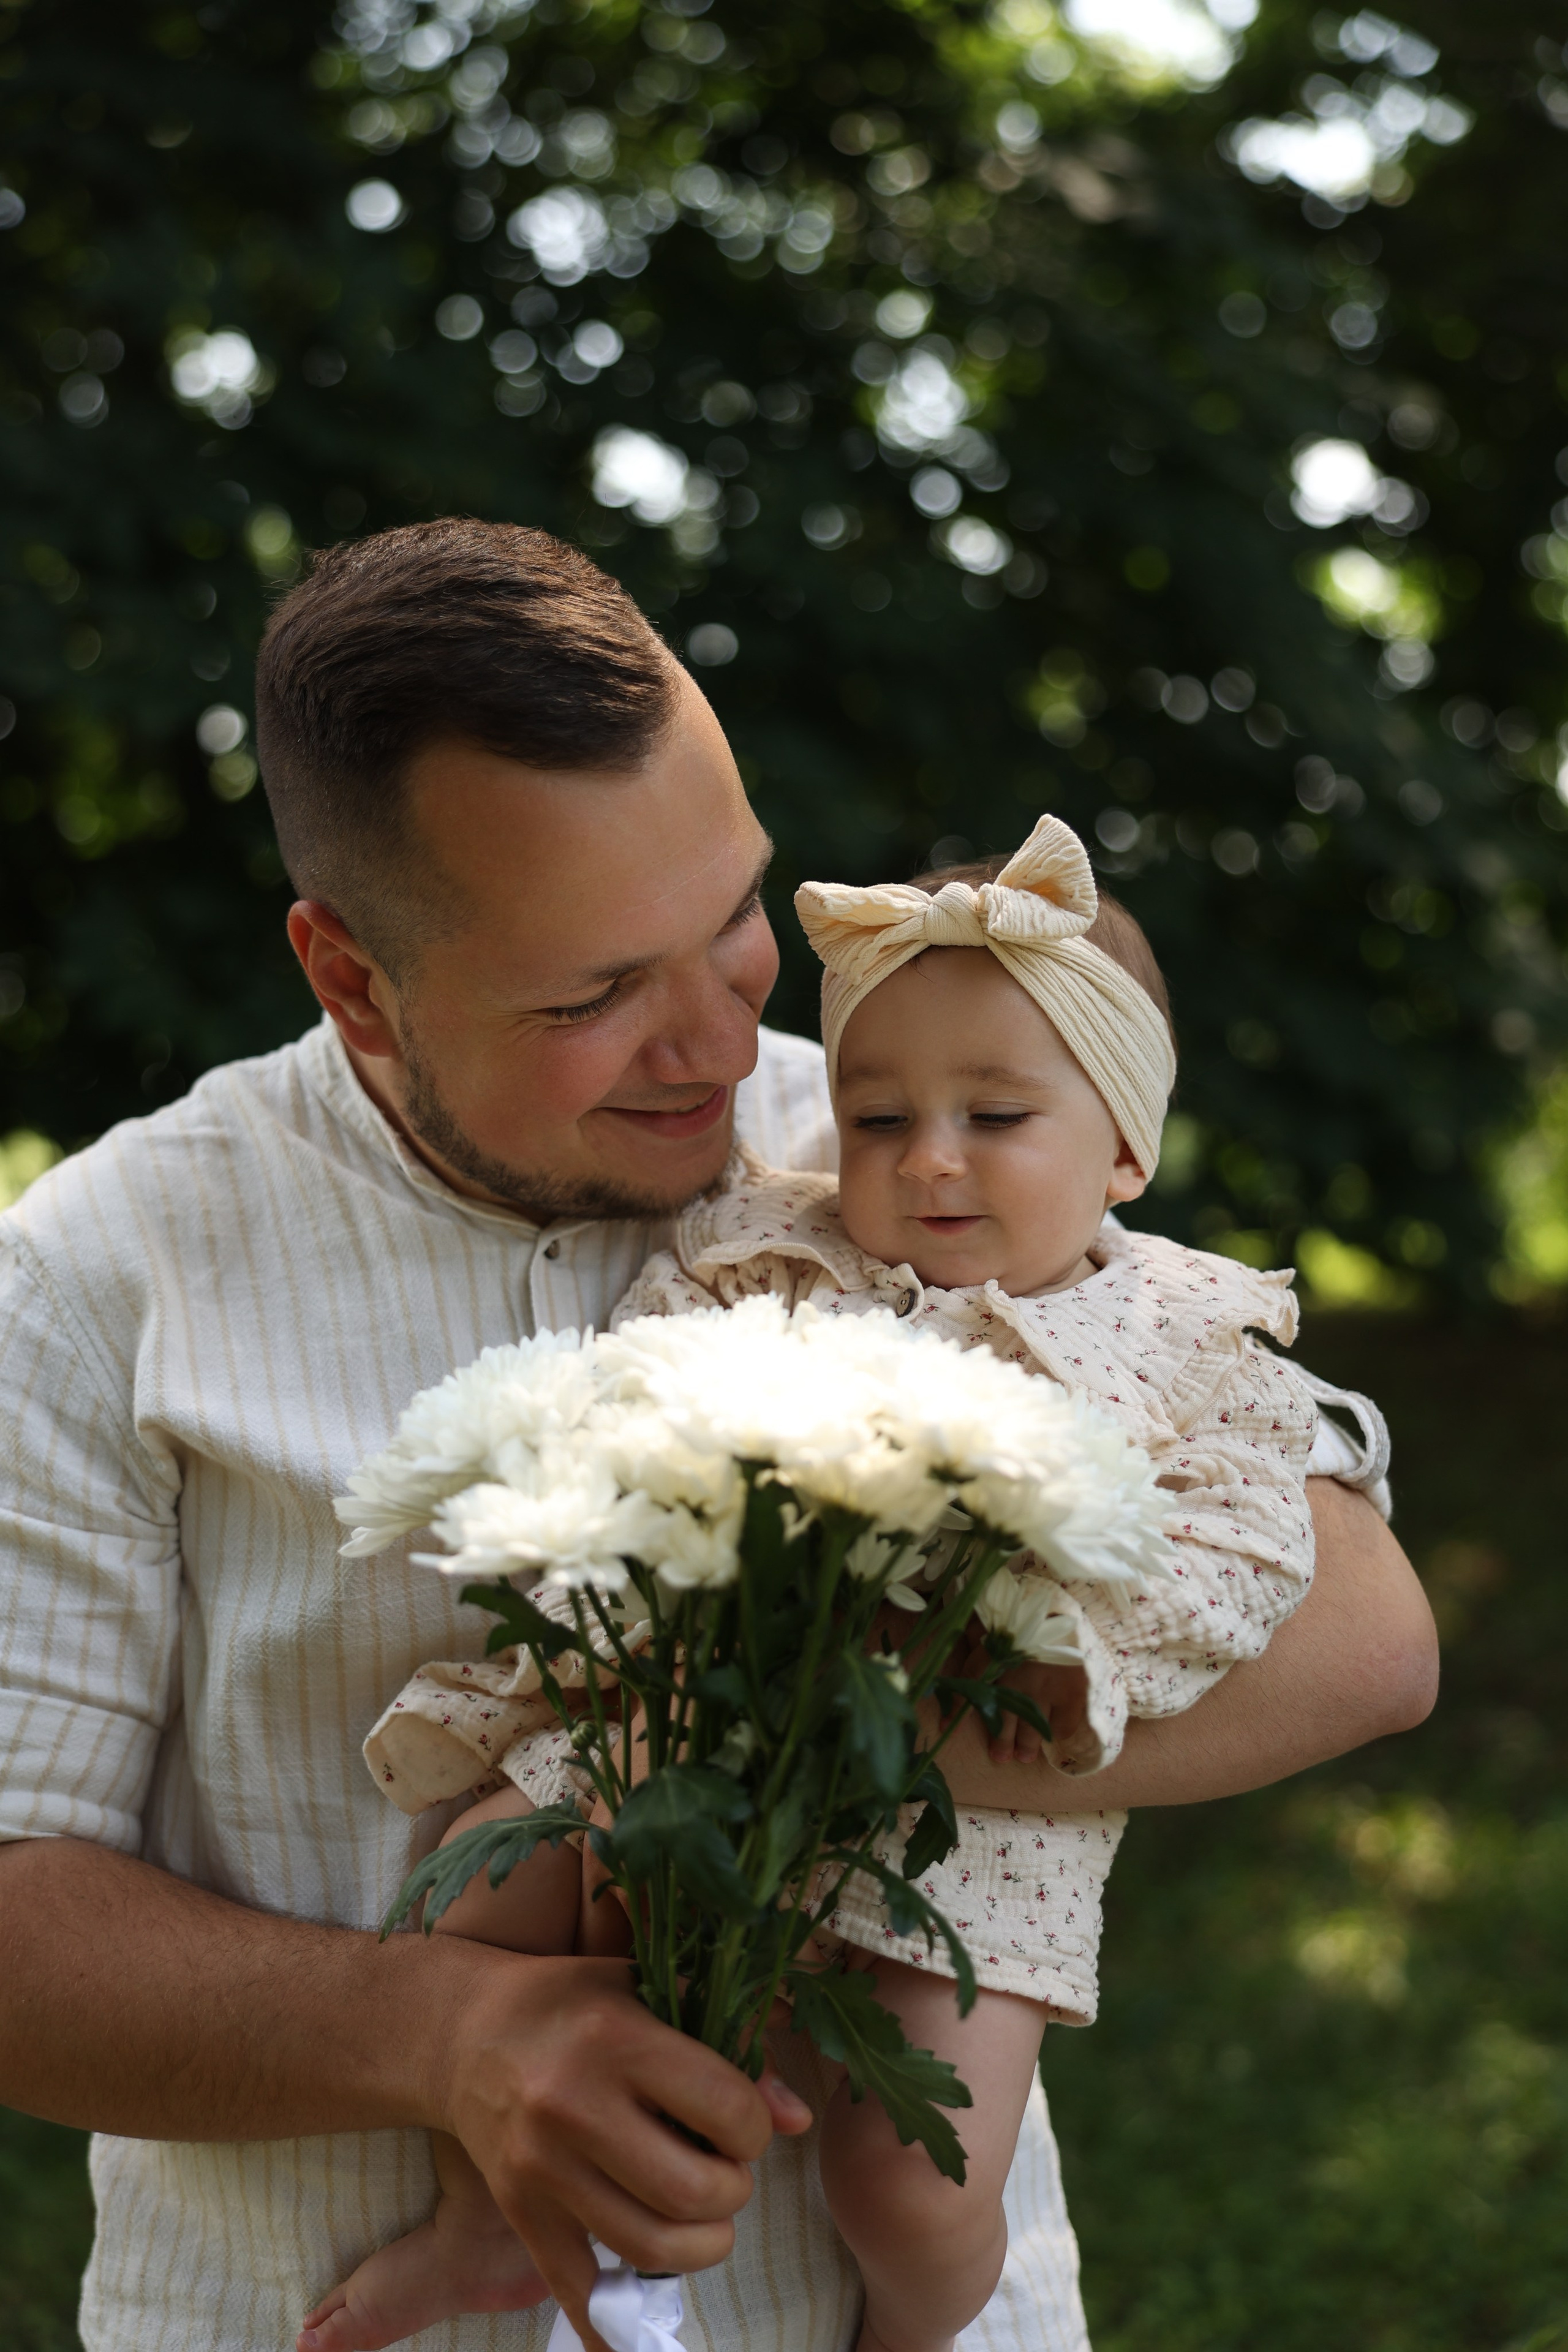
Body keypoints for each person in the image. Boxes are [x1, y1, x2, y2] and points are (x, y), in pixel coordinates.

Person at [0, 521, 1436, 2352]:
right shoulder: (88, 1285)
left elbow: (1366, 1628)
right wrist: (443, 2036)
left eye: (737, 921)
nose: (714, 1039)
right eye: (595, 994)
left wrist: (802, 1740)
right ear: (351, 977)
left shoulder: (909, 1132)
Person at [320, 813, 1378, 2352]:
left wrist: (1072, 1647)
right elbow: (646, 1377)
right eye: (878, 1120)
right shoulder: (769, 1248)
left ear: (1126, 1149)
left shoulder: (1189, 1341)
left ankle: (909, 2330)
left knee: (919, 2183)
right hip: (696, 1717)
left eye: (997, 1115)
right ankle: (482, 2225)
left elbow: (1244, 1548)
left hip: (975, 1815)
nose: (928, 1157)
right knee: (478, 1894)